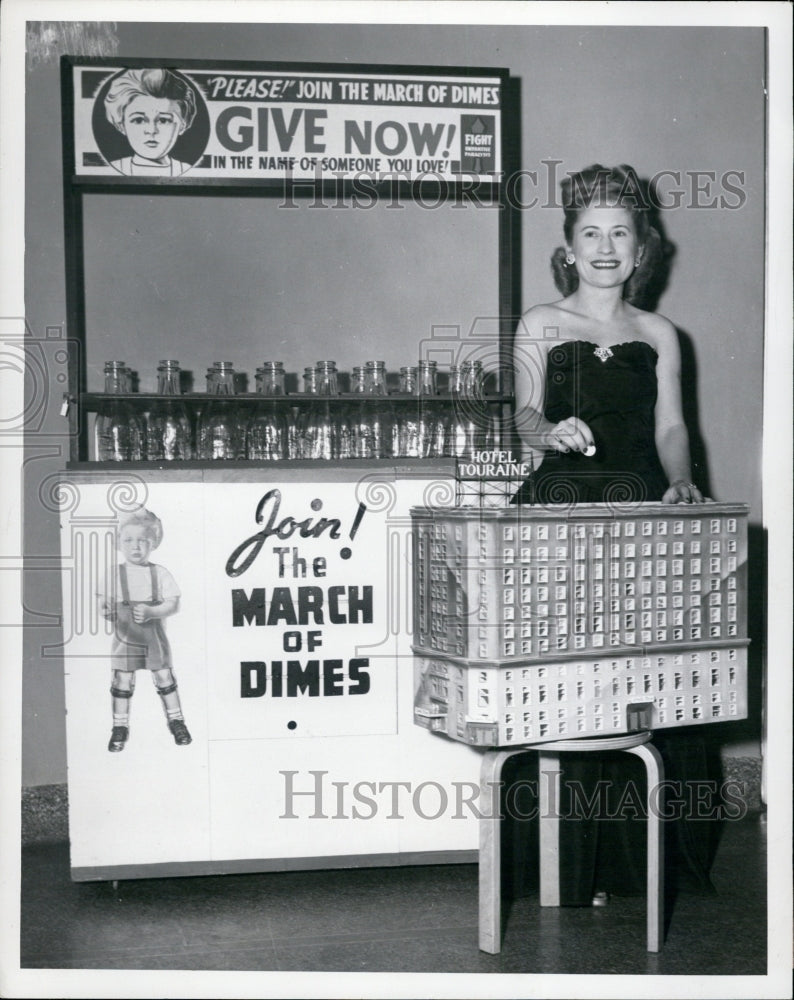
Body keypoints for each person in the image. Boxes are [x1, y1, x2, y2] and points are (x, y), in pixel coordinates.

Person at [507, 164, 716, 906]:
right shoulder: (538, 322)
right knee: (564, 686)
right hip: (560, 512)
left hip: (642, 519)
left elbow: (670, 425)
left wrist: (683, 480)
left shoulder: (661, 333)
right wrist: (548, 431)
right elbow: (522, 420)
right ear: (568, 246)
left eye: (619, 232)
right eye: (590, 232)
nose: (605, 246)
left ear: (641, 248)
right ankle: (563, 868)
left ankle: (632, 870)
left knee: (640, 687)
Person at [98, 508, 192, 751]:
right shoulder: (113, 574)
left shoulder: (159, 573)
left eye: (143, 540)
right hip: (125, 637)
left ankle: (177, 721)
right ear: (118, 543)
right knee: (122, 678)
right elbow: (103, 601)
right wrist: (105, 609)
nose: (136, 546)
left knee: (164, 676)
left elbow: (173, 603)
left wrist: (153, 612)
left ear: (153, 543)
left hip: (153, 638)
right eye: (129, 540)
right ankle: (120, 726)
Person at [103, 68, 197, 177]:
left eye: (163, 120)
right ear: (121, 125)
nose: (151, 130)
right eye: (138, 120)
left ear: (183, 125)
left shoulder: (189, 170)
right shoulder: (110, 169)